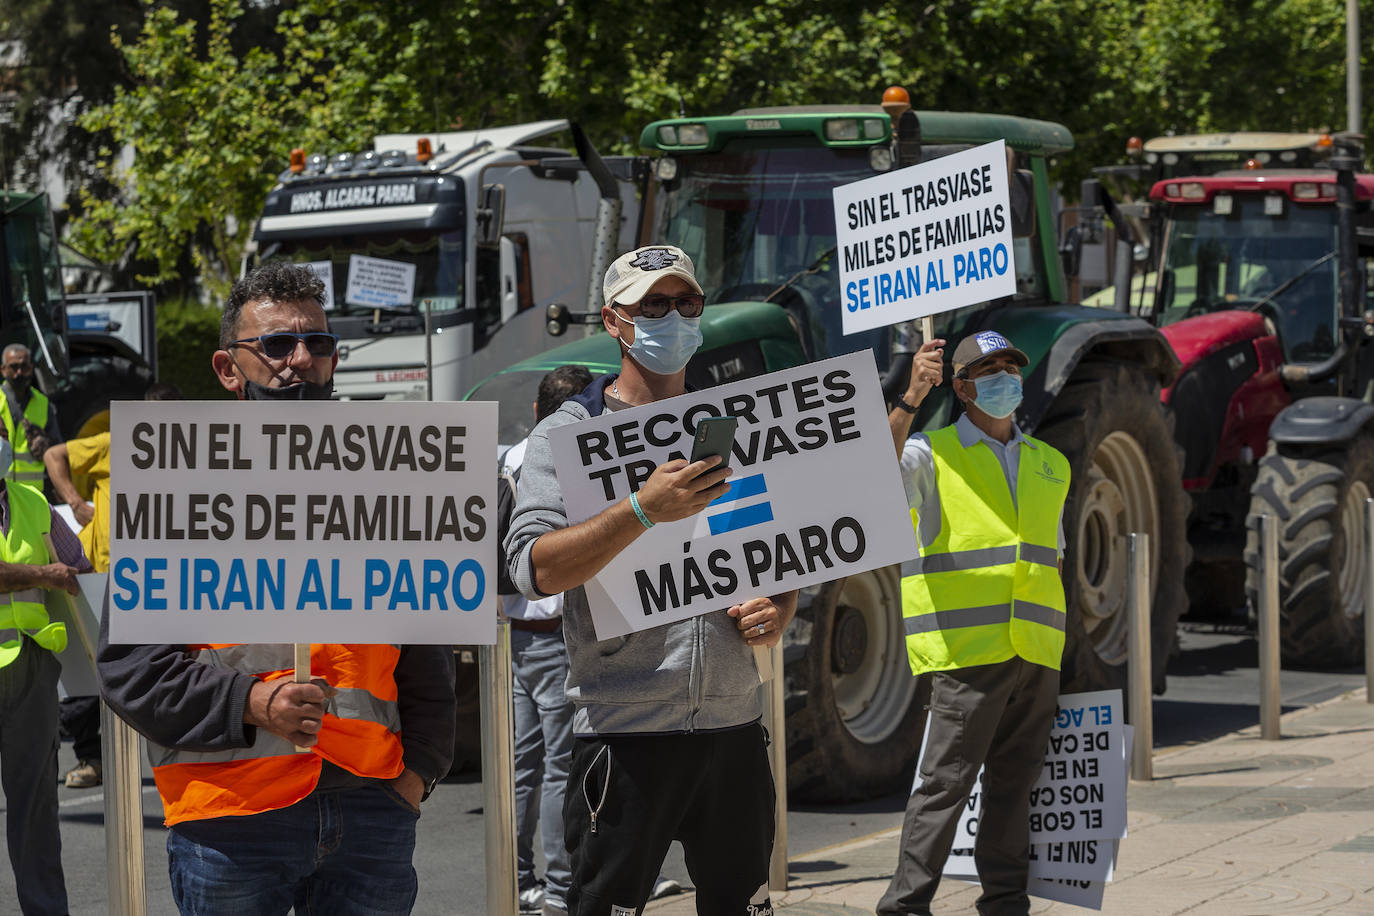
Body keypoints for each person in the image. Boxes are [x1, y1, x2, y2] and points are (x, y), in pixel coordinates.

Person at [97, 261, 456, 916]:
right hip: (229, 819)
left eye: (317, 343)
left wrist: (419, 772)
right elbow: (132, 669)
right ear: (228, 368)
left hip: (372, 809)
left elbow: (426, 644)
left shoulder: (388, 482)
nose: (301, 360)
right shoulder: (175, 490)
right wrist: (253, 703)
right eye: (277, 344)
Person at [505, 244, 795, 916]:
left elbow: (783, 548)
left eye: (685, 303)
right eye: (653, 305)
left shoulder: (739, 420)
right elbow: (534, 567)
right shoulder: (566, 436)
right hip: (624, 735)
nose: (673, 318)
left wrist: (779, 604)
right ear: (614, 321)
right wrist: (641, 510)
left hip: (734, 726)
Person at [877, 330, 1070, 916]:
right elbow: (872, 477)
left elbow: (1052, 558)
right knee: (944, 788)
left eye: (1011, 367)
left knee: (1016, 788)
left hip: (1034, 651)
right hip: (966, 653)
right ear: (961, 388)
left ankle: (1007, 904)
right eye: (989, 371)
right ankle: (904, 907)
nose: (1005, 378)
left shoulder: (1051, 464)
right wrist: (911, 396)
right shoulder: (928, 453)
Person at [46, 381, 183, 789]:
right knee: (89, 672)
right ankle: (92, 758)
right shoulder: (116, 442)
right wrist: (75, 502)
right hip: (99, 574)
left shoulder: (186, 456)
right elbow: (55, 455)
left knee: (160, 668)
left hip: (152, 577)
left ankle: (172, 759)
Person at [0, 414, 91, 915]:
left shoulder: (32, 502)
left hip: (31, 670)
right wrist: (44, 573)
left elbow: (77, 564)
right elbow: (53, 572)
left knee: (36, 807)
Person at [0, 343, 62, 496]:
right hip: (2, 490)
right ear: (3, 369)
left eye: (24, 367)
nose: (19, 372)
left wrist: (60, 485)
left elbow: (56, 449)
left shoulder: (43, 404)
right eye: (14, 367)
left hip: (32, 494)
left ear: (32, 368)